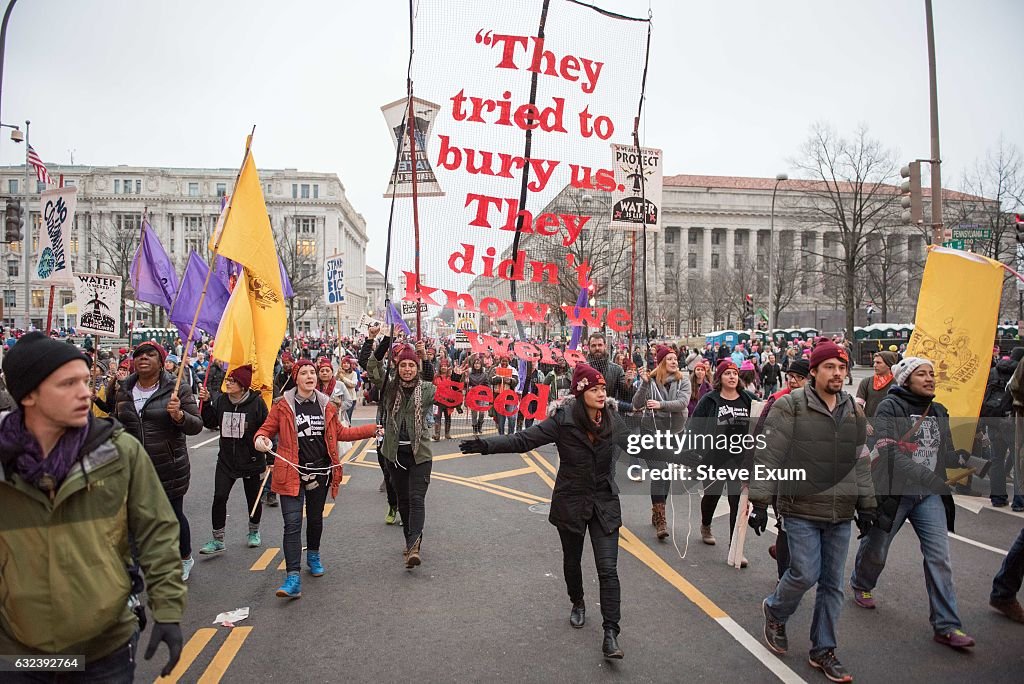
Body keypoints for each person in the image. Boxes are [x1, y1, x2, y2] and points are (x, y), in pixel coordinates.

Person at [0, 332, 185, 679]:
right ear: (28, 395)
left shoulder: (118, 452)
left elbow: (158, 533)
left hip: (104, 651)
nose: (86, 392)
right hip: (18, 656)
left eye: (86, 380)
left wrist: (168, 611)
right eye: (68, 383)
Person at [458, 364, 628, 660]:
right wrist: (485, 445)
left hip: (604, 503)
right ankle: (577, 601)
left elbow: (643, 445)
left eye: (603, 389)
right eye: (595, 389)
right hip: (571, 502)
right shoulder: (562, 421)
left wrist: (687, 453)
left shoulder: (612, 419)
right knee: (572, 561)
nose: (602, 394)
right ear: (580, 392)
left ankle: (611, 632)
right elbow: (523, 440)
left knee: (608, 569)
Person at [748, 340, 875, 683]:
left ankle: (823, 650)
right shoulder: (789, 406)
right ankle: (775, 610)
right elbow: (769, 456)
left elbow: (860, 462)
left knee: (832, 584)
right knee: (804, 572)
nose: (837, 373)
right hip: (800, 506)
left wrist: (867, 506)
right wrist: (760, 503)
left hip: (841, 510)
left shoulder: (853, 410)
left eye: (842, 367)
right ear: (814, 372)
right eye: (830, 367)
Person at [849, 357, 976, 649]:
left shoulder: (940, 410)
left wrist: (966, 459)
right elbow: (890, 452)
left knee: (939, 558)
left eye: (932, 373)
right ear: (906, 379)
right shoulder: (890, 408)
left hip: (928, 496)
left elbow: (943, 454)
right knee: (877, 549)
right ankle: (862, 582)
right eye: (922, 374)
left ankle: (947, 625)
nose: (930, 378)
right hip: (894, 493)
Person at [254, 359, 380, 598]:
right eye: (304, 373)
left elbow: (342, 433)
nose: (310, 376)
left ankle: (313, 554)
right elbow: (265, 431)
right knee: (292, 524)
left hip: (320, 473)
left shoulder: (327, 406)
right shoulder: (282, 406)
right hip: (290, 472)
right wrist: (261, 441)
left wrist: (372, 429)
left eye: (313, 372)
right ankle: (292, 577)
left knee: (314, 519)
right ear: (296, 378)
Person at [111, 341, 204, 581]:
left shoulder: (176, 388)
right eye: (139, 355)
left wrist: (179, 415)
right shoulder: (123, 389)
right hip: (133, 467)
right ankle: (130, 570)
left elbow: (196, 425)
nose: (143, 358)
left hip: (168, 465)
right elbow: (116, 422)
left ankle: (184, 558)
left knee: (172, 515)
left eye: (150, 355)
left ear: (161, 362)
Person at [368, 343, 437, 568]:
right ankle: (410, 541)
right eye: (403, 365)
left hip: (420, 454)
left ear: (416, 368)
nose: (407, 369)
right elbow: (372, 368)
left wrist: (424, 356)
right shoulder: (389, 388)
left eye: (411, 365)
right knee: (404, 502)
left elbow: (431, 376)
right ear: (397, 367)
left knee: (417, 499)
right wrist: (381, 341)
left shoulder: (426, 389)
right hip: (394, 454)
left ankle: (414, 546)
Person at [197, 365, 271, 555]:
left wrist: (270, 456)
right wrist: (205, 403)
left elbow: (268, 430)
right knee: (220, 497)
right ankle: (217, 539)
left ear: (243, 386)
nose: (228, 383)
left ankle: (254, 531)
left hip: (252, 460)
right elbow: (211, 422)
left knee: (253, 499)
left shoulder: (257, 404)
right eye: (228, 380)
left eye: (232, 381)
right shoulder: (222, 401)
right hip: (226, 460)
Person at [690, 359, 753, 559]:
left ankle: (735, 548)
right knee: (712, 496)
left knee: (737, 502)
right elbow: (695, 427)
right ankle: (706, 525)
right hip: (714, 458)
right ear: (720, 378)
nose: (732, 377)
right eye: (728, 373)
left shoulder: (748, 399)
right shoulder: (710, 400)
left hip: (739, 460)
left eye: (735, 373)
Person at [753, 358, 810, 578]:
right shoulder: (777, 399)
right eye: (790, 377)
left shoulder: (823, 402)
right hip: (782, 477)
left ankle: (787, 557)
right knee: (786, 527)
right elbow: (760, 438)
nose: (793, 381)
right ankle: (783, 577)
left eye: (799, 377)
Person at [632, 345, 691, 541]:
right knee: (659, 471)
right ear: (662, 362)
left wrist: (661, 405)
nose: (675, 362)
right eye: (670, 359)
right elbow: (636, 403)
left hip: (672, 433)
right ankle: (661, 519)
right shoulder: (652, 380)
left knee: (666, 475)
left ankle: (657, 510)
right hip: (650, 432)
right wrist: (644, 384)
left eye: (676, 359)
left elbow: (682, 403)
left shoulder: (684, 380)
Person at [855, 351, 898, 420]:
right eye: (874, 362)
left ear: (888, 365)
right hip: (870, 426)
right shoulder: (866, 382)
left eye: (878, 363)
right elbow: (858, 405)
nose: (874, 365)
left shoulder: (897, 383)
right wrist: (864, 422)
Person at [466, 354, 490, 435]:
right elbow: (466, 386)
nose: (477, 365)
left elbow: (488, 385)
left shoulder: (484, 374)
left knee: (482, 413)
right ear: (473, 365)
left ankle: (480, 425)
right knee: (474, 413)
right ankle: (475, 428)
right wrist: (467, 382)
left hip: (482, 395)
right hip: (473, 396)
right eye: (475, 363)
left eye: (478, 364)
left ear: (481, 365)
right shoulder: (469, 374)